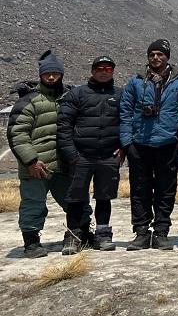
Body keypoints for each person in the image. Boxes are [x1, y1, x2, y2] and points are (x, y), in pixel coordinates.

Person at [119, 39, 178, 251]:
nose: (156, 58)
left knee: (166, 189)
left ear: (167, 57)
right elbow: (125, 112)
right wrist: (127, 142)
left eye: (160, 54)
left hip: (168, 144)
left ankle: (162, 232)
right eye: (152, 54)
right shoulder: (135, 81)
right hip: (140, 144)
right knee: (139, 189)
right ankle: (141, 233)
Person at [10, 51, 90, 258]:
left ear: (61, 74)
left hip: (64, 165)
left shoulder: (70, 98)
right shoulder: (28, 101)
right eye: (48, 74)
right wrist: (31, 160)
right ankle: (31, 243)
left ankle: (81, 234)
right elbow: (17, 134)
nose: (52, 77)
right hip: (36, 166)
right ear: (41, 75)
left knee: (77, 202)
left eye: (55, 73)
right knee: (33, 204)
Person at [58, 55, 123, 254]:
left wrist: (123, 147)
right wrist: (71, 154)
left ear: (113, 72)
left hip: (108, 156)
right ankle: (73, 237)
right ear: (92, 71)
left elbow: (128, 123)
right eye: (100, 68)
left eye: (108, 69)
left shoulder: (120, 94)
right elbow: (63, 126)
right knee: (76, 198)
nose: (104, 71)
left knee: (104, 197)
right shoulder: (76, 94)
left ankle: (103, 236)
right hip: (81, 156)